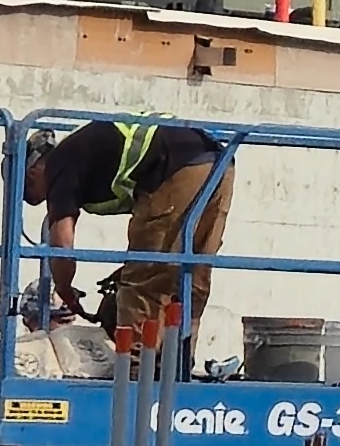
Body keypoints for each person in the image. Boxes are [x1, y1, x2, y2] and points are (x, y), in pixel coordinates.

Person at [24, 118, 233, 355]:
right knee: (192, 277)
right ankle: (178, 370)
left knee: (144, 282)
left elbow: (62, 245)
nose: (46, 200)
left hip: (176, 168)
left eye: (33, 195)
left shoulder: (59, 164)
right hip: (220, 163)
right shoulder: (85, 147)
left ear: (32, 172)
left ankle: (134, 375)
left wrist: (63, 288)